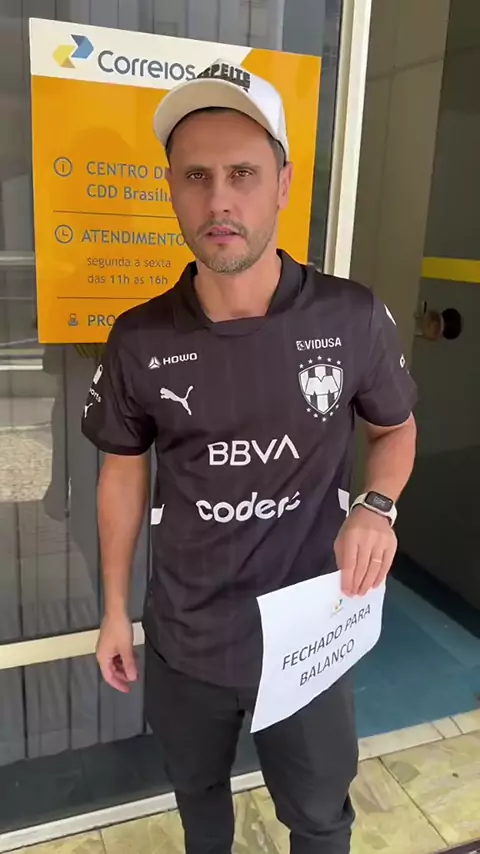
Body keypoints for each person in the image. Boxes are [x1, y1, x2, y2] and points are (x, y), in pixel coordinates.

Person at [82, 60, 417, 854]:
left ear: (283, 185)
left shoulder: (350, 316)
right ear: (171, 190)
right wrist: (113, 611)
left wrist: (376, 506)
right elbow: (122, 471)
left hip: (310, 635)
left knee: (320, 820)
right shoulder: (140, 337)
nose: (219, 201)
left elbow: (395, 428)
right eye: (196, 177)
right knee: (199, 803)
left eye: (242, 173)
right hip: (186, 637)